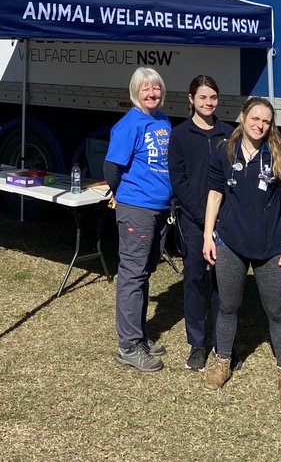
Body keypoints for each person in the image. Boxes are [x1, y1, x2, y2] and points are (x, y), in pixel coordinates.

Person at [201, 96, 281, 400]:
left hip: (270, 246)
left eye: (266, 121)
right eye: (255, 118)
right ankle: (223, 361)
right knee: (228, 306)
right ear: (242, 117)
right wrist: (208, 235)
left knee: (277, 311)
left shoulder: (278, 155)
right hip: (231, 242)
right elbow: (215, 194)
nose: (260, 125)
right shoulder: (224, 151)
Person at [105, 66, 173, 372]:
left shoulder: (161, 120)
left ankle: (139, 336)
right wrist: (122, 195)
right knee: (132, 274)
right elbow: (111, 167)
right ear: (135, 92)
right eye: (145, 89)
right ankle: (128, 346)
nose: (152, 93)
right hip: (137, 208)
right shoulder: (129, 124)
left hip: (159, 208)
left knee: (144, 272)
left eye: (156, 88)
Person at [168, 74, 232, 371]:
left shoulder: (228, 133)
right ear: (191, 99)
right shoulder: (179, 135)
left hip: (225, 220)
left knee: (223, 282)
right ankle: (197, 343)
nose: (209, 102)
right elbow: (179, 180)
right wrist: (200, 215)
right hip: (194, 220)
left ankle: (223, 343)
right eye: (203, 97)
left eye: (213, 97)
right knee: (194, 279)